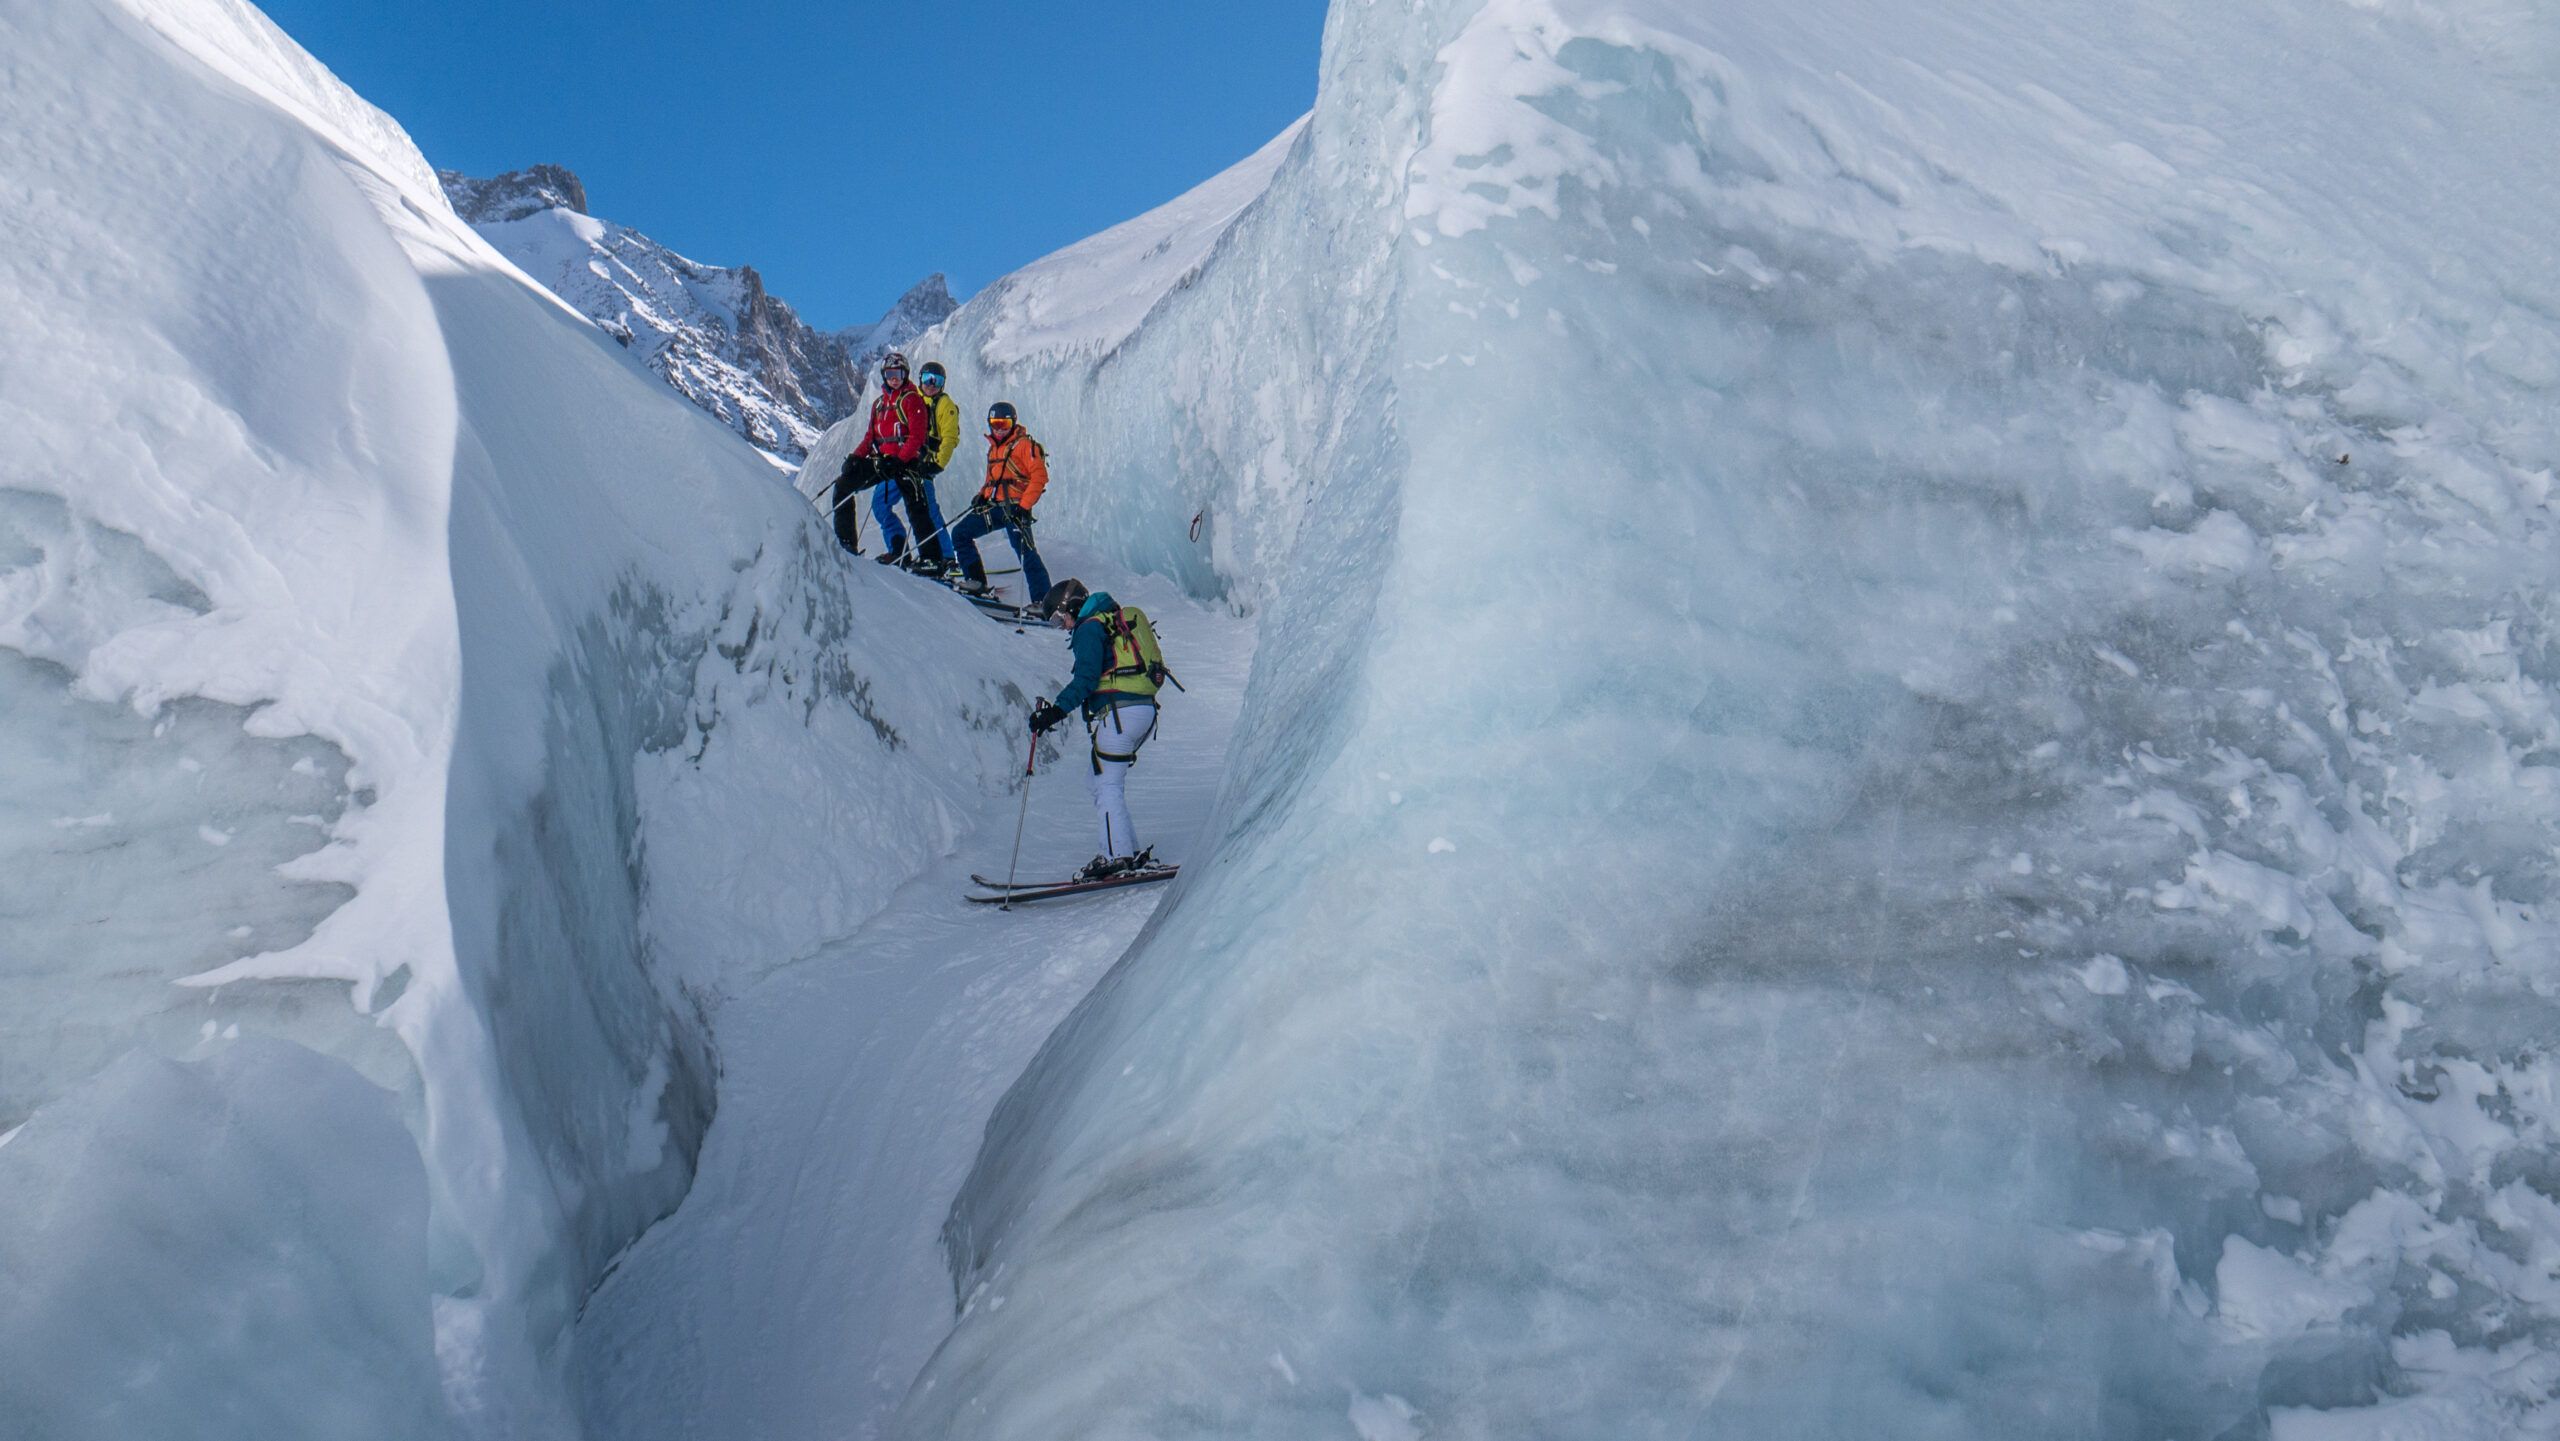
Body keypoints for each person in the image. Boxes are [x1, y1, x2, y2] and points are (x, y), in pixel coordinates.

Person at [1028, 578, 1169, 881]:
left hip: (1119, 712)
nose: (1062, 626)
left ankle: (1115, 857)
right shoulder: (1108, 621)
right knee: (1098, 782)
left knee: (1106, 786)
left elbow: (1086, 679)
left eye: (1058, 618)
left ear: (1072, 608)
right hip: (1140, 709)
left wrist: (1055, 711)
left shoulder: (1089, 627)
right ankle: (1126, 851)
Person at [831, 351, 946, 570]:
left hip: (906, 462)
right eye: (890, 373)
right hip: (882, 461)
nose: (894, 378)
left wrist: (900, 460)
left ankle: (932, 558)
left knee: (917, 508)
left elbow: (917, 437)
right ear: (884, 375)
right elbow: (870, 438)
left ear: (906, 375)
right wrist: (856, 458)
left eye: (899, 373)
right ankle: (846, 544)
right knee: (843, 486)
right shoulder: (879, 405)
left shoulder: (913, 400)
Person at [949, 401, 1052, 603]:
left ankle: (1043, 602)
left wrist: (1024, 507)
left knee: (1026, 552)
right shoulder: (994, 450)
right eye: (995, 423)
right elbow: (992, 480)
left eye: (1003, 424)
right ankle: (976, 581)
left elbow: (1039, 478)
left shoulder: (1025, 446)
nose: (998, 429)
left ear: (1013, 423)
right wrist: (982, 496)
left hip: (1015, 509)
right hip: (994, 507)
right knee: (960, 533)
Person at [871, 360, 959, 569]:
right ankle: (899, 551)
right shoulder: (910, 400)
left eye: (936, 380)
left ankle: (946, 557)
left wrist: (936, 464)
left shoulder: (945, 406)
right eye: (927, 379)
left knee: (928, 511)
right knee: (881, 504)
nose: (930, 384)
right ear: (919, 380)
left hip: (922, 467)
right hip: (901, 463)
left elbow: (949, 438)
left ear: (943, 384)